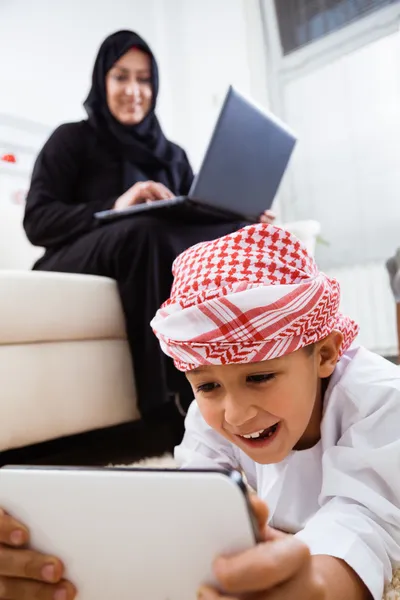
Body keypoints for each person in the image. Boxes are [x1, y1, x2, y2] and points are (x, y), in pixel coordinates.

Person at [23, 29, 275, 422]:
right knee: (146, 230)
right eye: (121, 76)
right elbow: (37, 221)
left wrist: (239, 218)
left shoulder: (172, 156)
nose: (133, 90)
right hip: (75, 256)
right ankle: (166, 406)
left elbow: (197, 216)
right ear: (101, 79)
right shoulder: (71, 140)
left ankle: (256, 381)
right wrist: (118, 205)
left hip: (145, 247)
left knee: (215, 240)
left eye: (143, 79)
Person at [150, 223, 400, 600]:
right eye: (207, 385)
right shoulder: (211, 412)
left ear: (326, 354)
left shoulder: (379, 399)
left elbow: (366, 520)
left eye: (260, 376)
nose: (234, 414)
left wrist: (315, 586)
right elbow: (194, 496)